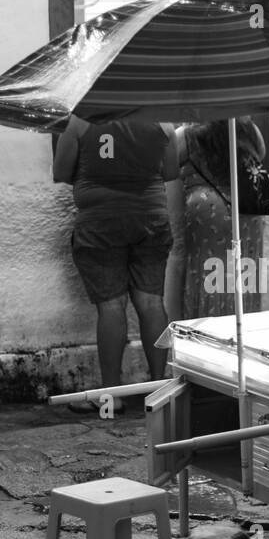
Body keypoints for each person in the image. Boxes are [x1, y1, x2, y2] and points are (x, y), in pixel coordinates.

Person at [54, 116, 179, 413]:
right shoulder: (164, 124)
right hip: (150, 219)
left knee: (111, 305)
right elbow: (171, 171)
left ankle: (111, 395)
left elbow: (60, 172)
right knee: (151, 301)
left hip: (100, 223)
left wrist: (96, 176)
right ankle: (158, 387)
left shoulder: (79, 123)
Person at [176, 117, 266, 318]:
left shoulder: (186, 135)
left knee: (206, 277)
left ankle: (207, 336)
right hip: (247, 208)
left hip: (207, 211)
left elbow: (165, 166)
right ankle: (242, 336)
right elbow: (260, 156)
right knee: (244, 278)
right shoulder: (250, 130)